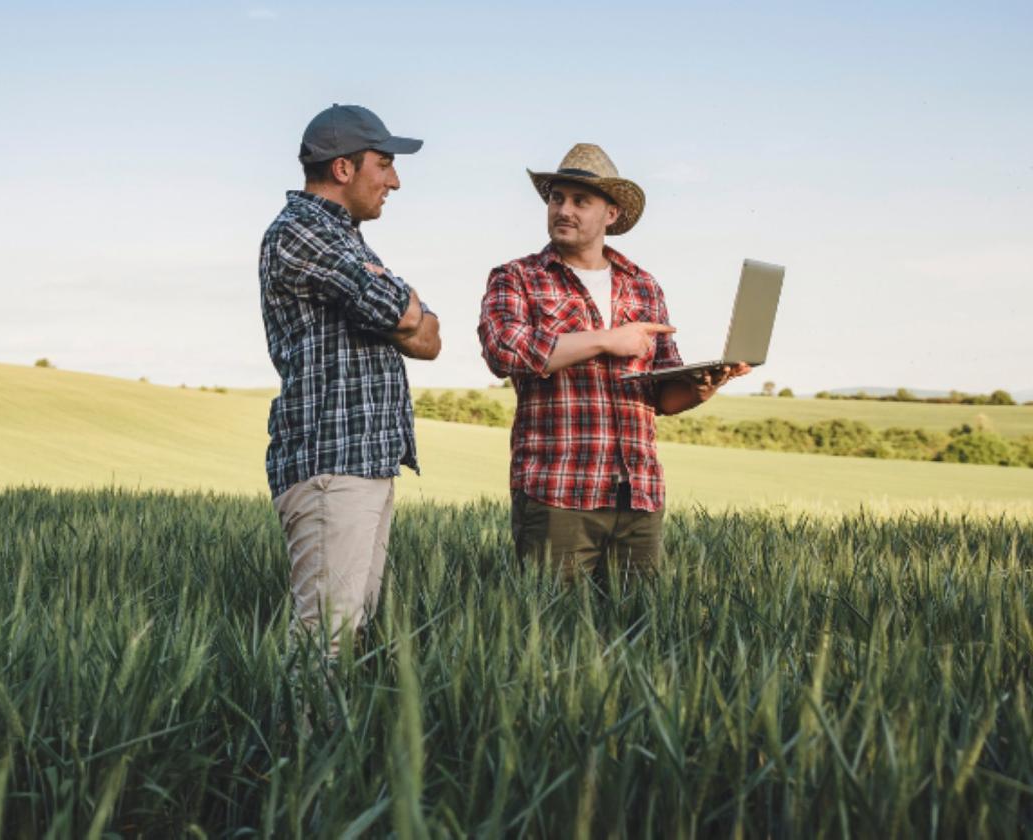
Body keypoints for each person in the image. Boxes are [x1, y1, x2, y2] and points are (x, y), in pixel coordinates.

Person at [477, 143, 748, 582]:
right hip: (557, 492)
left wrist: (703, 386)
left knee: (638, 637)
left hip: (638, 497)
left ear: (612, 213)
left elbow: (662, 397)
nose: (564, 210)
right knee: (552, 640)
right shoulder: (517, 277)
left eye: (580, 201)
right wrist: (607, 341)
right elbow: (503, 350)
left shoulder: (643, 286)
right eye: (556, 198)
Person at [259, 104, 440, 654]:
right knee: (325, 643)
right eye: (383, 164)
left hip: (363, 463)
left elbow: (429, 339)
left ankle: (338, 740)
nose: (395, 180)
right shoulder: (303, 234)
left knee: (350, 636)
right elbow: (408, 316)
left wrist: (398, 303)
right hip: (330, 465)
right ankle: (302, 741)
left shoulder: (348, 240)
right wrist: (398, 301)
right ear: (343, 169)